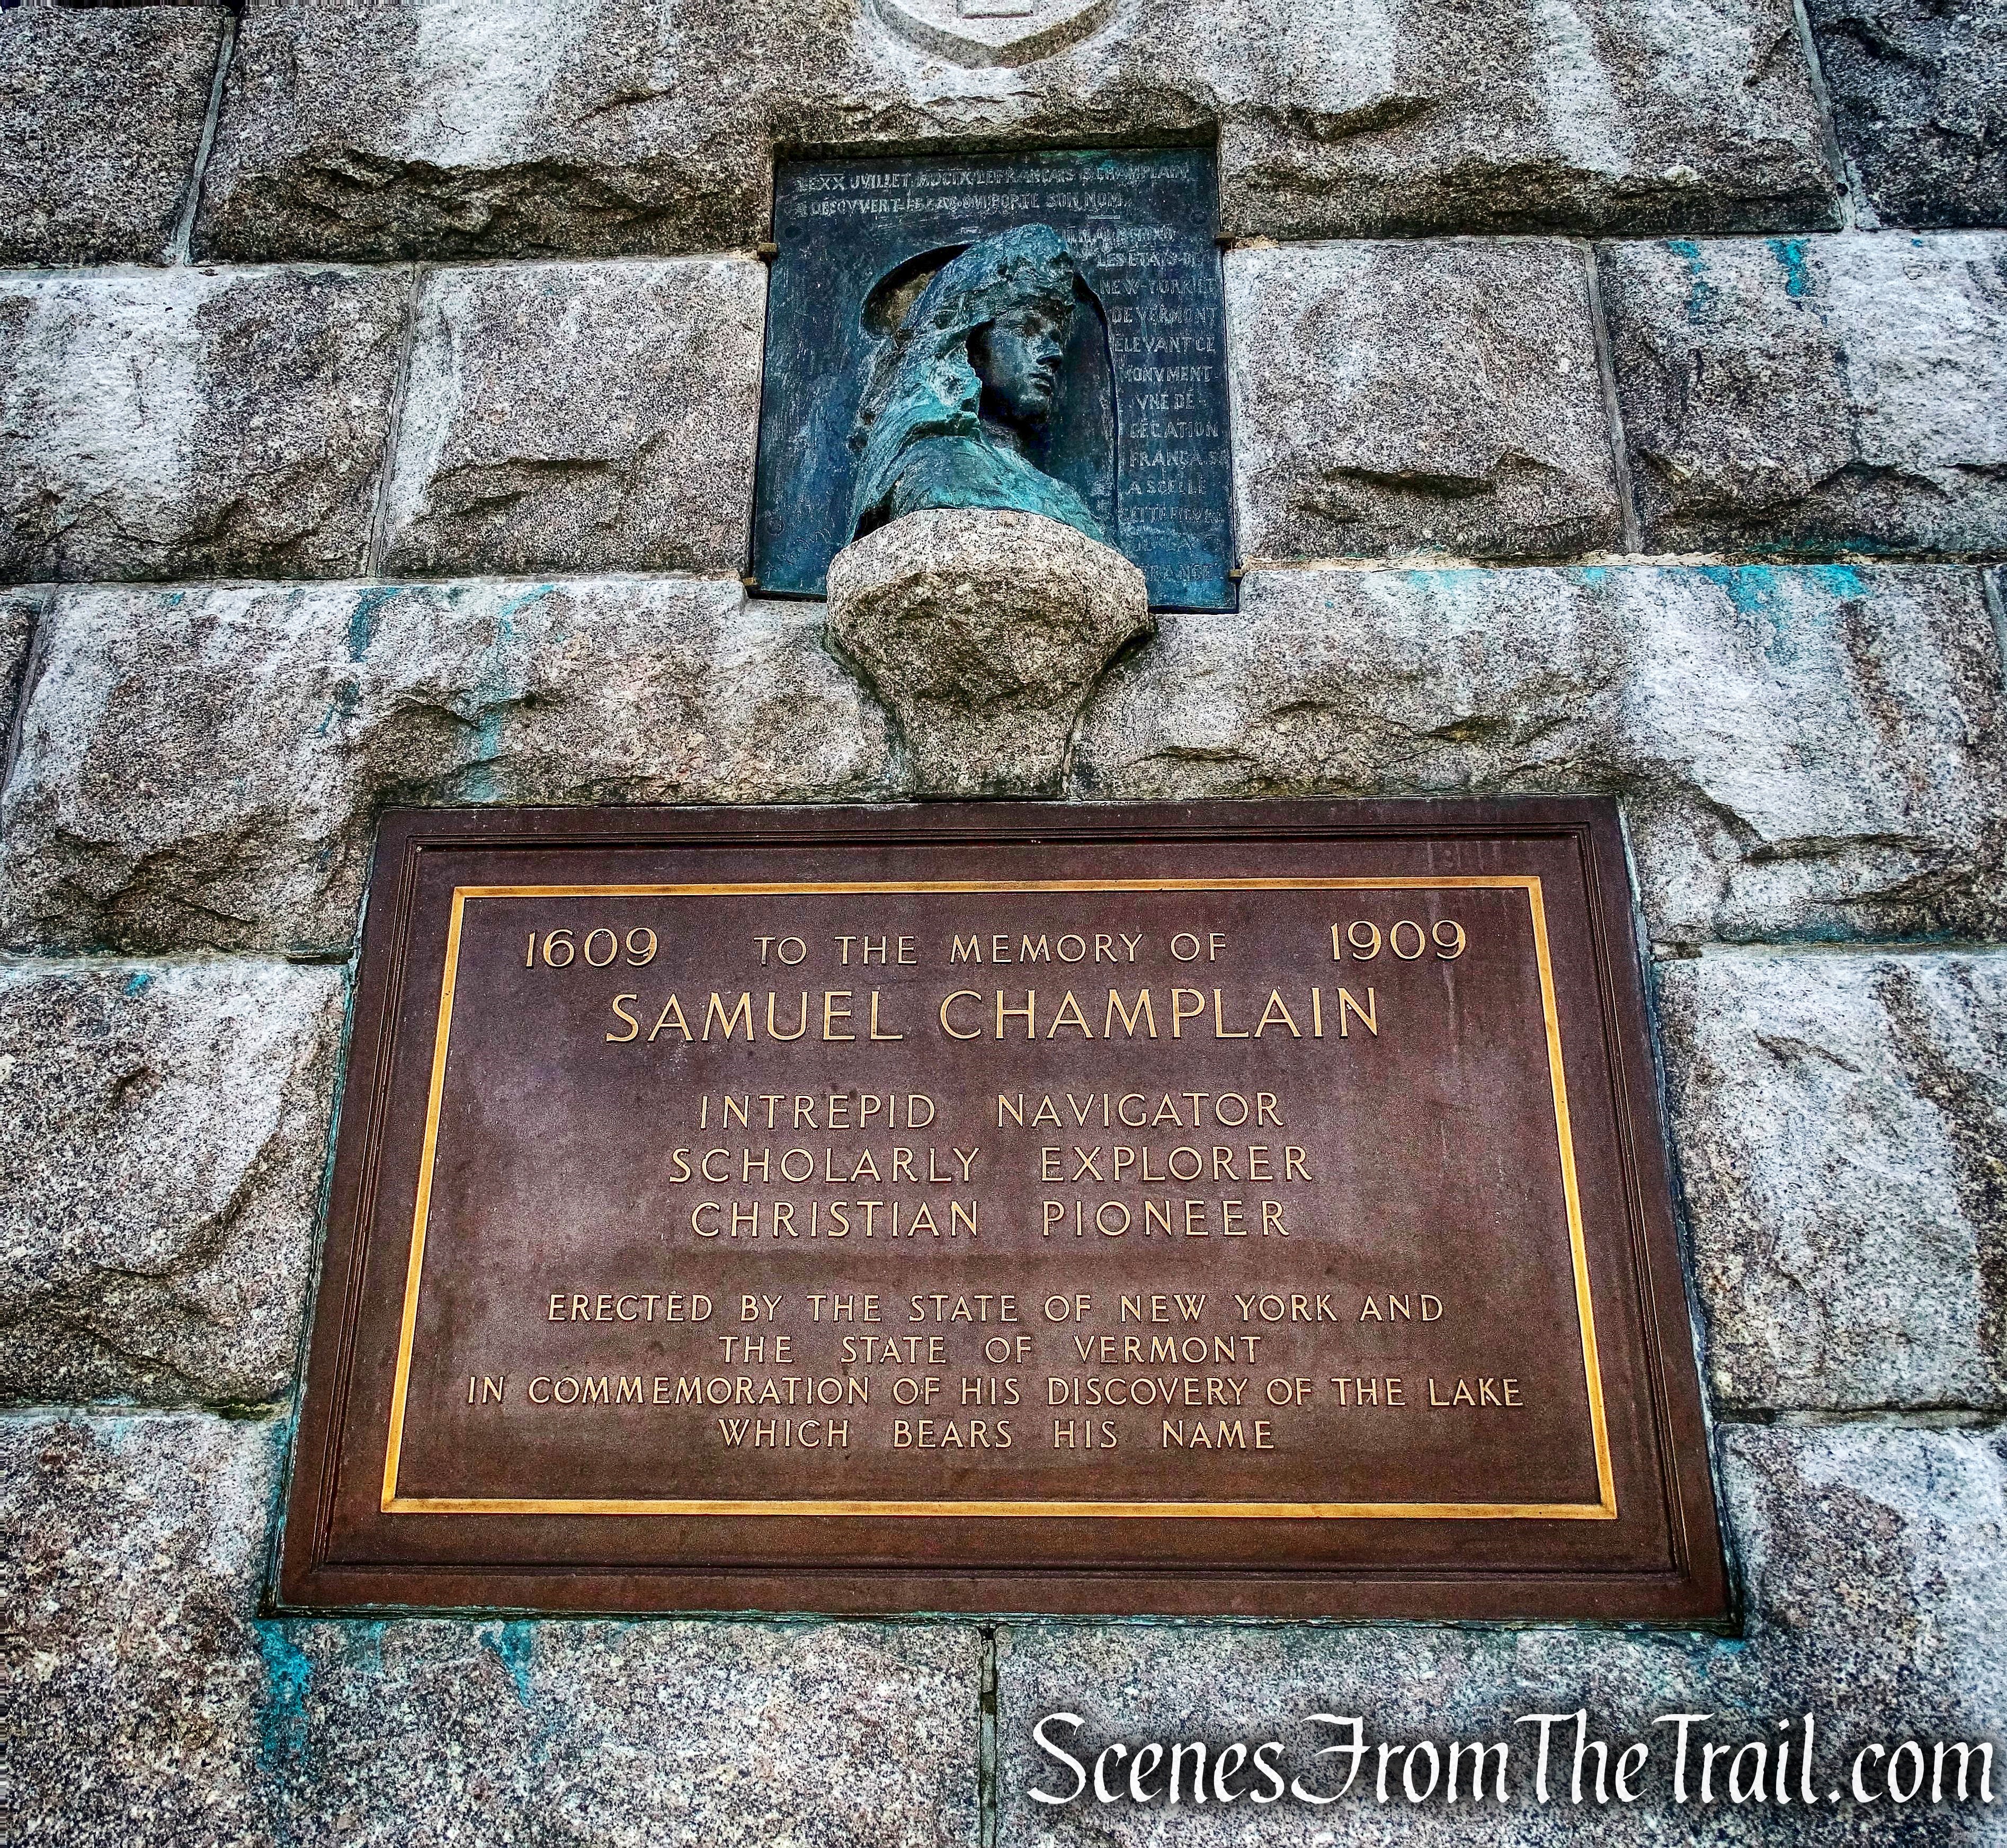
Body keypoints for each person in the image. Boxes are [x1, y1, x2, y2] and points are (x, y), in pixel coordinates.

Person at [846, 222, 1107, 546]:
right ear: (968, 341)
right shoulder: (934, 473)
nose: (1053, 354)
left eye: (1056, 337)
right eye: (1028, 328)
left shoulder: (1063, 499)